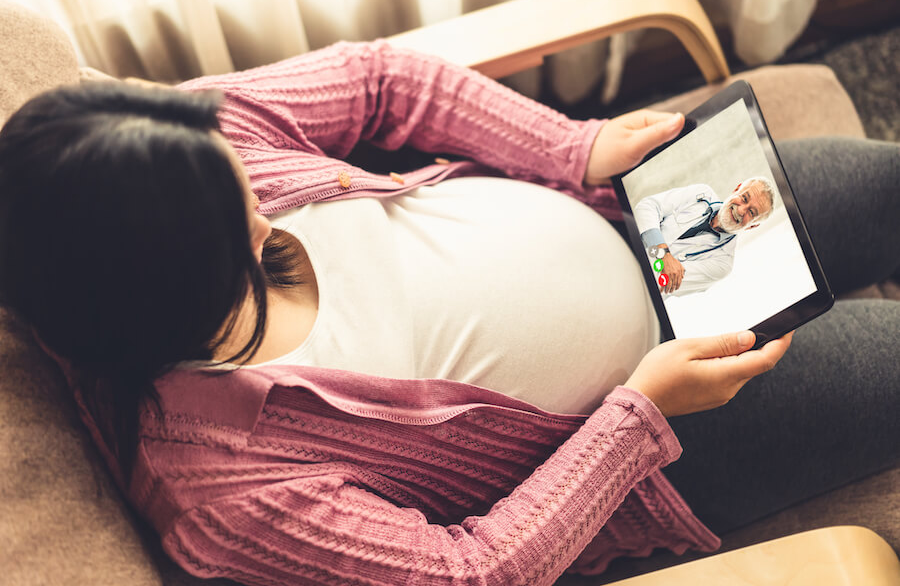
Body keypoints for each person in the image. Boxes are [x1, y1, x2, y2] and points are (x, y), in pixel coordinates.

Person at [0, 40, 897, 586]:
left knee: (886, 185)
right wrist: (642, 414)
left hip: (632, 217)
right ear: (176, 300)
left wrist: (572, 147)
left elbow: (380, 79)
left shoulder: (170, 152)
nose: (271, 212)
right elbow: (473, 570)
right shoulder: (229, 494)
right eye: (247, 233)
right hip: (665, 444)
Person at [634, 177, 776, 296]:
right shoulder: (702, 193)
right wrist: (663, 254)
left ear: (752, 225)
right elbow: (647, 207)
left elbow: (663, 281)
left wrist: (650, 240)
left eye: (751, 212)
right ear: (737, 189)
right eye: (744, 198)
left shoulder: (722, 264)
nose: (740, 210)